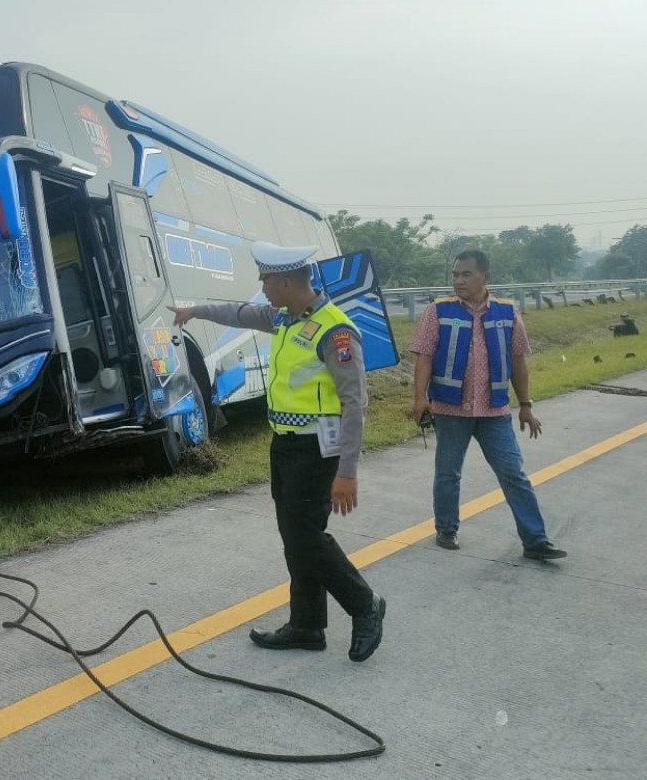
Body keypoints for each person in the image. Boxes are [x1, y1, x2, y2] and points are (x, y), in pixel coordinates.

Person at [169, 241, 385, 663]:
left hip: (318, 450)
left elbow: (355, 402)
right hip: (285, 446)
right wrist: (194, 312)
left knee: (306, 536)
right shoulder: (286, 319)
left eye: (266, 280)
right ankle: (307, 625)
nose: (263, 288)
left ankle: (365, 606)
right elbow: (238, 314)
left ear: (284, 281)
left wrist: (348, 470)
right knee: (295, 537)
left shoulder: (334, 330)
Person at [410, 249, 566, 560]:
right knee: (448, 473)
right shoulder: (437, 311)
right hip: (450, 409)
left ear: (486, 277)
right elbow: (424, 356)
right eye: (455, 275)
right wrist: (420, 398)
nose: (459, 280)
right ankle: (446, 528)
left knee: (513, 473)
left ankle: (535, 539)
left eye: (466, 274)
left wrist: (525, 404)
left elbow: (518, 360)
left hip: (494, 411)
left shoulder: (507, 312)